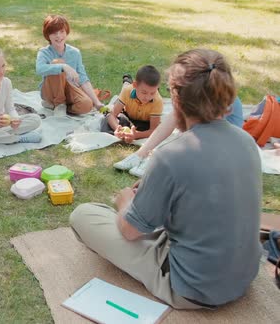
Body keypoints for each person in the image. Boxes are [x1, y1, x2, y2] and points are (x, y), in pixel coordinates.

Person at [70, 49, 262, 309]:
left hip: (190, 287)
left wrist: (126, 203)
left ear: (176, 100)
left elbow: (130, 231)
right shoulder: (247, 142)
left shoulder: (172, 156)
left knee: (84, 215)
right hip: (243, 275)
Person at [114, 96, 244, 177]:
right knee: (177, 113)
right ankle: (141, 154)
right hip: (205, 140)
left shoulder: (217, 97)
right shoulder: (202, 92)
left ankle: (155, 159)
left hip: (222, 149)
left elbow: (199, 133)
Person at [35, 14, 104, 115]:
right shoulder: (44, 52)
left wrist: (97, 103)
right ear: (48, 35)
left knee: (87, 105)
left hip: (69, 89)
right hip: (50, 92)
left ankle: (57, 106)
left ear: (66, 32)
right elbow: (39, 69)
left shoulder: (75, 52)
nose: (58, 36)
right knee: (57, 63)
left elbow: (83, 78)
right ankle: (58, 104)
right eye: (54, 33)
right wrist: (64, 67)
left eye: (62, 31)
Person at [101, 66, 163, 142]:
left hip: (145, 123)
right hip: (127, 116)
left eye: (152, 93)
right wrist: (117, 129)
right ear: (135, 85)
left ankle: (127, 82)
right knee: (106, 119)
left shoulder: (158, 101)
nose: (147, 97)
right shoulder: (127, 91)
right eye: (144, 92)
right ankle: (126, 82)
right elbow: (112, 114)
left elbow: (153, 130)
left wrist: (136, 135)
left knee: (159, 131)